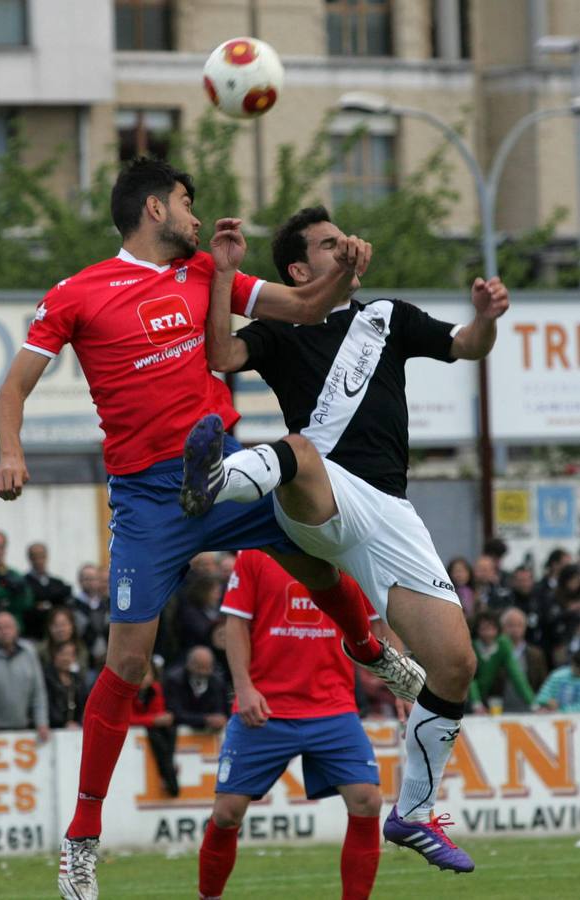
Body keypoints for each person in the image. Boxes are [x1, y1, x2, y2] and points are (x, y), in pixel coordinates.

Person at [0, 159, 404, 900]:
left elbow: (306, 306)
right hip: (147, 499)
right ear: (155, 208)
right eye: (187, 202)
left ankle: (371, 650)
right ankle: (81, 841)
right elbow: (13, 387)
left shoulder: (209, 277)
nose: (196, 213)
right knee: (125, 665)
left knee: (314, 549)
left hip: (225, 478)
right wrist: (13, 451)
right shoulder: (77, 293)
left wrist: (342, 272)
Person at [181, 205, 511, 873]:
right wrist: (221, 272)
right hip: (318, 497)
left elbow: (466, 346)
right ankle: (216, 480)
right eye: (328, 244)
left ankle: (413, 814)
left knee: (454, 667)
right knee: (301, 449)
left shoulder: (386, 316)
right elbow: (220, 355)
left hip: (388, 513)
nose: (346, 246)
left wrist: (487, 317)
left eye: (342, 238)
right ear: (300, 269)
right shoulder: (279, 328)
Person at [198, 550, 381, 900]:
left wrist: (396, 678)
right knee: (226, 813)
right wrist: (245, 688)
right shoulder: (255, 553)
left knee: (367, 801)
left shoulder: (344, 548)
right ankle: (209, 897)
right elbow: (235, 624)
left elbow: (378, 623)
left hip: (332, 706)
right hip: (264, 708)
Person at [0, 611, 49, 743]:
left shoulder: (29, 652)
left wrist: (42, 723)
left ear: (16, 629)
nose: (4, 631)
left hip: (25, 728)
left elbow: (38, 692)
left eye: (8, 627)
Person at [469, 610, 535, 713]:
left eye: (492, 629)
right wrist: (476, 704)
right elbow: (470, 678)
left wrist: (533, 704)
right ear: (477, 630)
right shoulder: (470, 646)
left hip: (485, 699)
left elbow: (516, 675)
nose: (488, 633)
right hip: (464, 698)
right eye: (484, 629)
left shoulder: (503, 644)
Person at [130, 659, 179, 797]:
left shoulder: (156, 689)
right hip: (142, 730)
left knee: (168, 731)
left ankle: (168, 772)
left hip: (154, 729)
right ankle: (169, 773)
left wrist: (157, 720)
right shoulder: (127, 693)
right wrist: (153, 720)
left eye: (147, 674)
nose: (144, 678)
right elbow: (127, 718)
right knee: (156, 735)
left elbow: (157, 712)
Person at [163, 645, 229, 732]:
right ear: (189, 664)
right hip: (179, 731)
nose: (203, 672)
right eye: (199, 667)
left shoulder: (217, 682)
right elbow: (174, 712)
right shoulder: (174, 681)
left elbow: (222, 709)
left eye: (207, 668)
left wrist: (219, 719)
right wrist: (205, 719)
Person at [500, 607, 548, 711]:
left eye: (519, 625)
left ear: (525, 627)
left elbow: (542, 683)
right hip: (501, 708)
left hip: (530, 709)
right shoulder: (497, 652)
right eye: (510, 625)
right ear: (503, 628)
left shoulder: (536, 654)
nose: (515, 629)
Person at [23, 542, 72, 641]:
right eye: (34, 556)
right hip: (34, 636)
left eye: (41, 556)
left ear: (46, 557)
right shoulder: (23, 583)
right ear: (29, 558)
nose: (38, 560)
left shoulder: (57, 582)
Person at [44, 641, 90, 729]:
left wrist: (80, 722)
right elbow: (47, 706)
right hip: (52, 729)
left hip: (76, 728)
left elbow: (85, 703)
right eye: (62, 654)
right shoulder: (45, 678)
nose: (66, 658)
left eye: (70, 654)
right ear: (54, 655)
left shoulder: (78, 680)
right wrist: (63, 724)